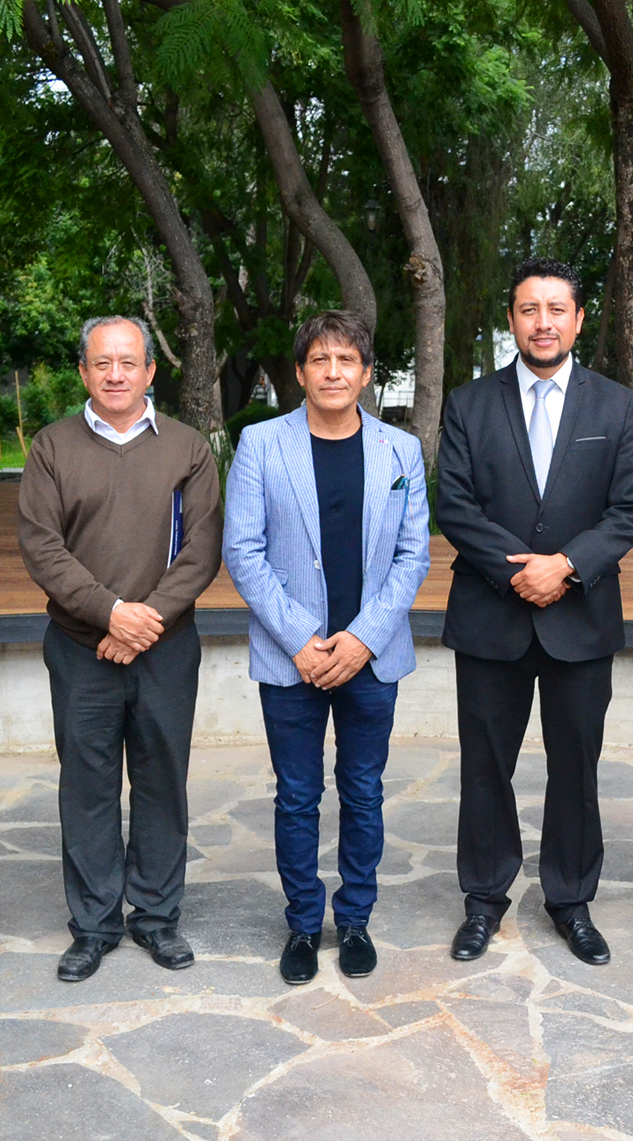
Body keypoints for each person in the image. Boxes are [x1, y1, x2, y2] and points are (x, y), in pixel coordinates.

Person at [435, 258, 633, 966]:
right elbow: (457, 506)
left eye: (558, 308)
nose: (544, 322)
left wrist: (568, 566)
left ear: (579, 318)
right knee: (485, 767)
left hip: (580, 615)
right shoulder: (468, 404)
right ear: (511, 320)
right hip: (491, 615)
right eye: (530, 309)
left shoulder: (615, 406)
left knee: (576, 768)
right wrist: (521, 573)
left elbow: (630, 509)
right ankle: (484, 898)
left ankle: (570, 899)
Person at [225, 311, 430, 985]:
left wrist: (363, 639)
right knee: (296, 794)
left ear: (367, 373)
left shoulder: (400, 452)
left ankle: (356, 918)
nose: (334, 371)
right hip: (294, 658)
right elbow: (244, 551)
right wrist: (301, 642)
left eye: (347, 360)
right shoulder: (260, 443)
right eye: (321, 359)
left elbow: (412, 554)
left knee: (363, 789)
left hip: (372, 657)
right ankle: (302, 923)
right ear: (301, 371)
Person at [16, 316, 222, 983]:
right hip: (81, 647)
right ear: (83, 371)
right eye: (101, 363)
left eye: (128, 362)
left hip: (166, 647)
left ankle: (157, 916)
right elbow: (41, 546)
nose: (115, 374)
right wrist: (110, 612)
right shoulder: (50, 447)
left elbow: (202, 549)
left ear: (150, 371)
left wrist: (144, 621)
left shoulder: (188, 448)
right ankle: (95, 923)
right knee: (88, 785)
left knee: (162, 780)